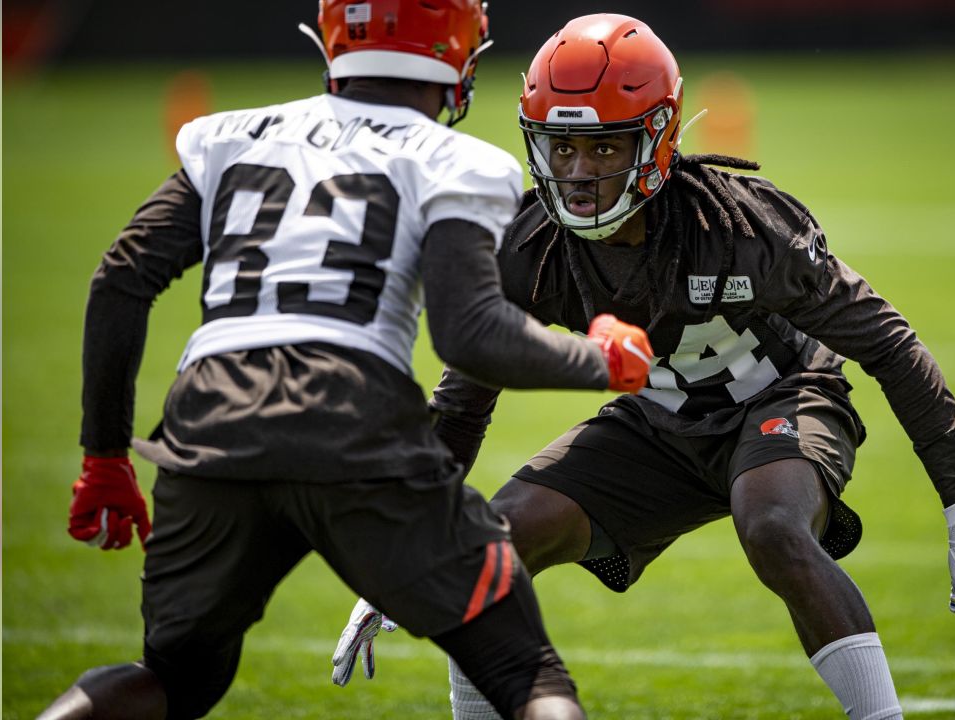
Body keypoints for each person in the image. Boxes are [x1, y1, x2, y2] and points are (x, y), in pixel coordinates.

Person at [332, 13, 955, 720]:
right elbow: (465, 396)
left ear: (659, 138)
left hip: (783, 397)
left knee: (770, 523)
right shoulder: (529, 245)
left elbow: (887, 342)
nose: (579, 173)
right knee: (487, 545)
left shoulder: (740, 229)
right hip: (655, 424)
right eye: (562, 147)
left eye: (607, 148)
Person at [36, 2, 658, 719]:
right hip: (350, 413)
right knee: (526, 673)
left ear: (333, 38)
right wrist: (600, 361)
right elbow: (471, 335)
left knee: (170, 679)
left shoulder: (230, 134)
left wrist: (105, 455)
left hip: (210, 417)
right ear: (461, 53)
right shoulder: (459, 160)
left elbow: (121, 278)